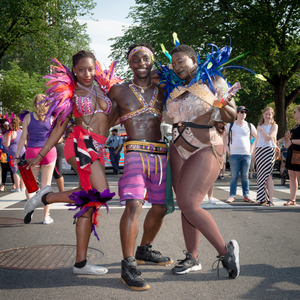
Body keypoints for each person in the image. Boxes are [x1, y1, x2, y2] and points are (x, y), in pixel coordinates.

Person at [22, 50, 121, 275]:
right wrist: (42, 153)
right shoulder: (70, 92)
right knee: (102, 192)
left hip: (98, 146)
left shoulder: (103, 87)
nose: (87, 73)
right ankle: (45, 197)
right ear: (74, 70)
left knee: (89, 202)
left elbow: (112, 116)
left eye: (90, 68)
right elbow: (59, 126)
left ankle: (80, 264)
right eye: (81, 69)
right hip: (80, 144)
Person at [160, 43, 240, 279]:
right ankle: (192, 258)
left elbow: (231, 115)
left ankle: (226, 252)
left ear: (194, 60)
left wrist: (223, 104)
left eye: (181, 61)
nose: (177, 66)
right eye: (174, 63)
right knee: (185, 205)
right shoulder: (174, 87)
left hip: (205, 146)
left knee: (188, 202)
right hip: (178, 150)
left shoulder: (212, 80)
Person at [108, 43, 173, 291]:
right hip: (134, 151)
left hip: (160, 153)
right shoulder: (118, 91)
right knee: (134, 204)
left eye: (146, 58)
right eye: (136, 60)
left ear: (152, 60)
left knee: (160, 208)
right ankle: (128, 264)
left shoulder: (164, 87)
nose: (142, 63)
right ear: (130, 64)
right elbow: (103, 122)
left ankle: (144, 249)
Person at [16, 94, 57, 224]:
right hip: (48, 152)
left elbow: (23, 138)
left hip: (32, 152)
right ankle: (46, 217)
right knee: (46, 186)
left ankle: (29, 210)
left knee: (30, 185)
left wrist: (17, 156)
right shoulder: (51, 118)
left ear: (34, 104)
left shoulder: (28, 117)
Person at [223, 106, 257, 203]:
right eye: (241, 112)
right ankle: (232, 196)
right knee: (234, 176)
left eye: (245, 112)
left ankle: (246, 195)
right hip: (234, 154)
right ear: (237, 114)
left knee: (245, 176)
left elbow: (257, 137)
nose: (243, 114)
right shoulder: (231, 125)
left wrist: (251, 149)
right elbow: (223, 137)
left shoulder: (250, 125)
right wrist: (228, 149)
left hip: (246, 154)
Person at [253, 107, 278, 206]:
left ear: (272, 115)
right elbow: (257, 140)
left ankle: (270, 199)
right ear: (263, 115)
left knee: (268, 175)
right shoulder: (260, 126)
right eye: (266, 114)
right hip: (259, 151)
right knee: (260, 176)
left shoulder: (274, 126)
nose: (267, 116)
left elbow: (269, 138)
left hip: (269, 151)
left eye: (269, 114)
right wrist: (254, 152)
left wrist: (261, 130)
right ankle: (262, 198)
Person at [2, 116, 26, 192]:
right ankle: (23, 186)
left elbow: (7, 144)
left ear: (11, 124)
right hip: (22, 152)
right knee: (22, 169)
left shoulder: (10, 132)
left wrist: (2, 139)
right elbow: (25, 142)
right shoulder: (21, 131)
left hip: (13, 153)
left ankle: (17, 187)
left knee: (15, 170)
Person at [284, 105, 300, 206]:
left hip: (298, 153)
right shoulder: (296, 125)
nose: (293, 113)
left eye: (295, 112)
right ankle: (292, 199)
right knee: (291, 176)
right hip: (292, 152)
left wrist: (292, 141)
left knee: (299, 176)